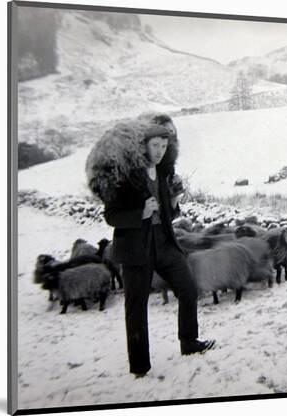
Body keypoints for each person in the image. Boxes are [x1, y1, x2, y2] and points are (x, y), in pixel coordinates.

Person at [86, 113, 215, 377]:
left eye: (164, 146)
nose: (159, 151)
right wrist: (139, 214)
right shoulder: (127, 175)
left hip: (165, 243)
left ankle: (189, 342)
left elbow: (168, 213)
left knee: (188, 289)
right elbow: (111, 215)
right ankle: (140, 365)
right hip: (136, 248)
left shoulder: (165, 172)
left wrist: (175, 202)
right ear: (144, 145)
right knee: (136, 306)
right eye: (154, 146)